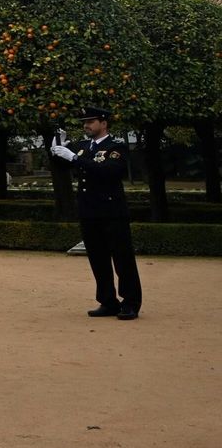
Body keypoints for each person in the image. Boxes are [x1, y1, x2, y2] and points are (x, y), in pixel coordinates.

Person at [51, 105, 142, 320]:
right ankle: (108, 301)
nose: (86, 125)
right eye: (84, 122)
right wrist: (56, 150)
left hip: (112, 211)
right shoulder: (83, 147)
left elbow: (108, 171)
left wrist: (73, 157)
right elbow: (63, 167)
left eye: (91, 121)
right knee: (98, 259)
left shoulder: (115, 147)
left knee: (122, 259)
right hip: (89, 210)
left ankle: (130, 302)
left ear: (104, 123)